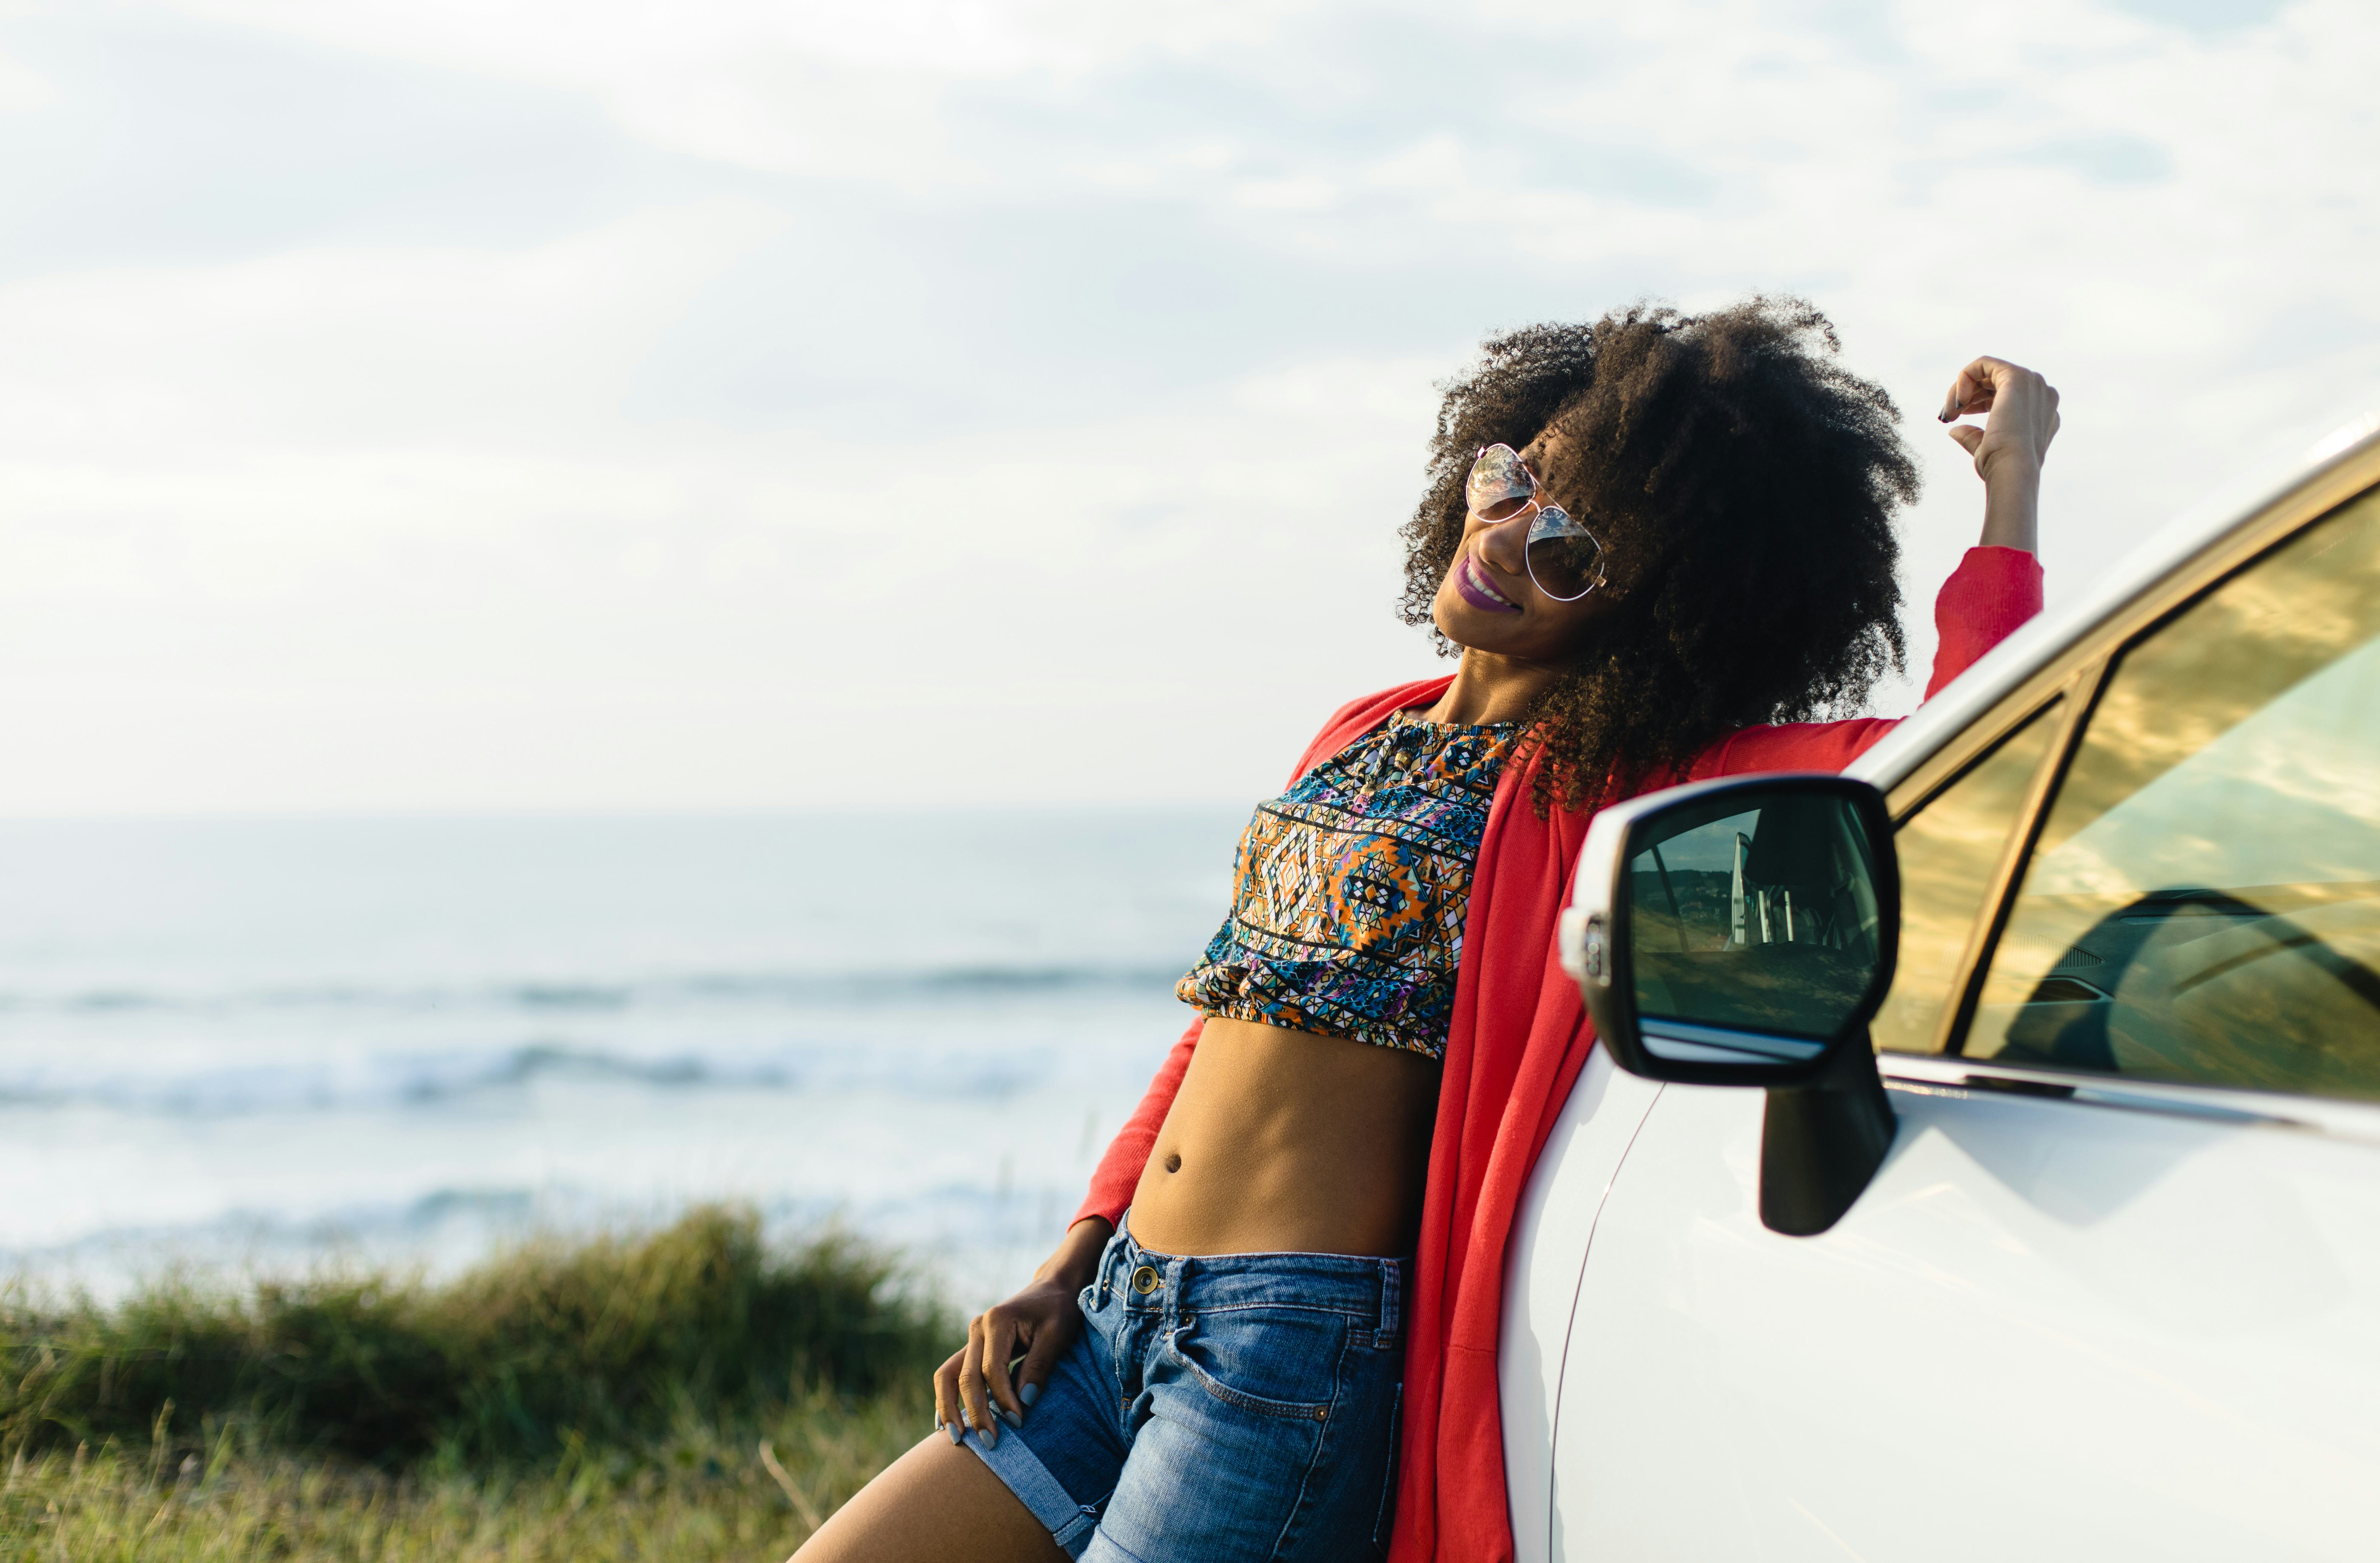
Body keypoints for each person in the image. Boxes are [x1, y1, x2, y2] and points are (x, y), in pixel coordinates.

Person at [795, 300, 2057, 1563]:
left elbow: (1957, 775)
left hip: (1278, 1367)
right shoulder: (1361, 731)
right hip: (1114, 1311)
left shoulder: (1611, 784)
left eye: (1570, 552)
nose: (1505, 540)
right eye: (1517, 482)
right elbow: (1228, 1022)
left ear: (1661, 611)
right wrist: (1071, 1263)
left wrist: (2011, 489)